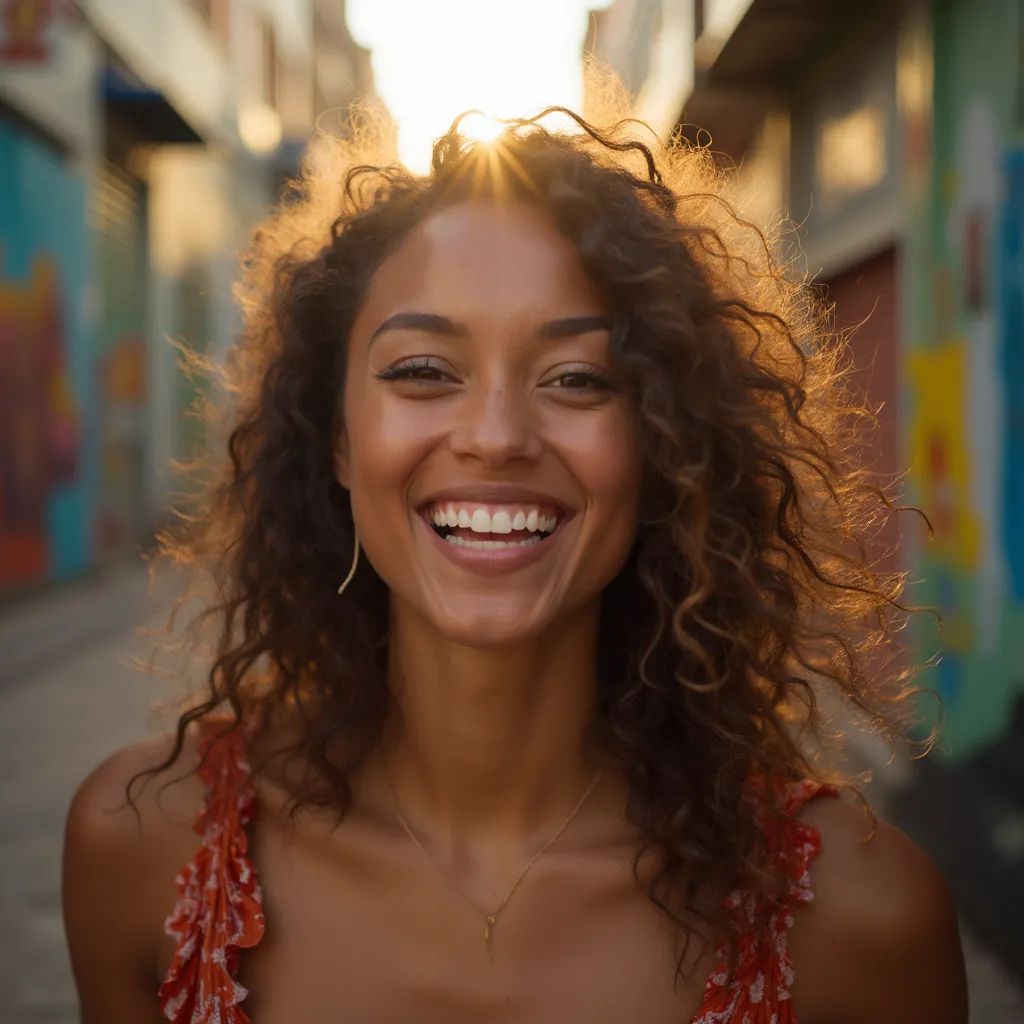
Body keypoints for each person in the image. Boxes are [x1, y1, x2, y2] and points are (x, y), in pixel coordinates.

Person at [61, 106, 967, 1023]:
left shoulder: (861, 922)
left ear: (662, 444)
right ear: (336, 437)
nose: (495, 436)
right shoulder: (144, 849)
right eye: (422, 370)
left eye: (577, 378)